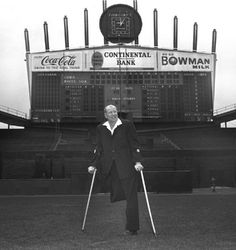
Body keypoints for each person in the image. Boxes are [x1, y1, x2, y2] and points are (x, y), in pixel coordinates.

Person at [88, 104, 143, 235]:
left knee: (131, 197)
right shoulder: (100, 128)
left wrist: (137, 161)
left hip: (127, 166)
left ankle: (132, 227)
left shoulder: (127, 125)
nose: (113, 114)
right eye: (110, 112)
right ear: (105, 115)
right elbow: (98, 148)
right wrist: (93, 164)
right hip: (109, 168)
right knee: (115, 192)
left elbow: (134, 144)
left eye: (115, 111)